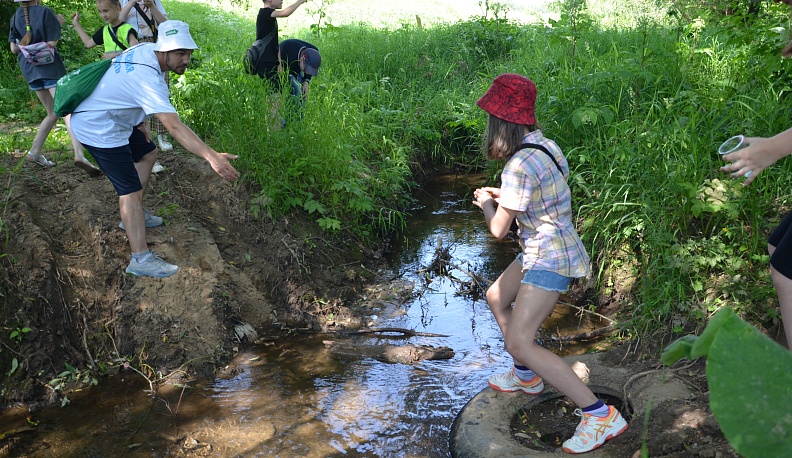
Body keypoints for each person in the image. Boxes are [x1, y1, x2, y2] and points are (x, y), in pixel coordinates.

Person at [471, 73, 627, 453]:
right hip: (549, 245)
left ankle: (599, 414)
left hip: (549, 257)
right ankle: (526, 376)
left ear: (501, 123)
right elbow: (544, 191)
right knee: (496, 296)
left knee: (519, 341)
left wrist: (487, 203)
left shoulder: (517, 166)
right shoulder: (545, 146)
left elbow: (498, 229)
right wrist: (504, 194)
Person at [69, 20, 239, 278]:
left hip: (113, 116)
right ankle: (140, 259)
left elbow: (125, 87)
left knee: (148, 152)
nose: (186, 60)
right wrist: (212, 157)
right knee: (129, 191)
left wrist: (140, 122)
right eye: (180, 53)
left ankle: (134, 213)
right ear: (164, 50)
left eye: (188, 53)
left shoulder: (144, 50)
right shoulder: (149, 77)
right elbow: (174, 126)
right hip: (98, 126)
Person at [8, 0, 101, 176]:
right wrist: (58, 22)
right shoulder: (45, 12)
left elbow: (14, 49)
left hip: (30, 70)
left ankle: (34, 152)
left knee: (52, 113)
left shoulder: (14, 17)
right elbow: (52, 43)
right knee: (67, 112)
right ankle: (79, 155)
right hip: (50, 69)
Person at [120, 0, 171, 171]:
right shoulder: (122, 2)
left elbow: (165, 23)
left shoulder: (154, 1)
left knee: (160, 90)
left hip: (154, 45)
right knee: (138, 96)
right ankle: (144, 142)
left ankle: (162, 134)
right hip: (131, 46)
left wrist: (152, 6)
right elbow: (119, 19)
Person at [255, 0, 308, 129]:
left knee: (275, 97)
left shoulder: (270, 18)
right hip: (266, 64)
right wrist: (300, 1)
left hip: (271, 63)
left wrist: (279, 63)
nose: (282, 0)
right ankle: (274, 130)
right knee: (274, 98)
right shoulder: (265, 13)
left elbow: (275, 44)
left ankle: (275, 126)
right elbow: (285, 13)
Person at [71, 0, 139, 60]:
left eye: (105, 11)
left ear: (118, 8)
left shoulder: (127, 29)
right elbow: (88, 44)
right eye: (100, 11)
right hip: (112, 69)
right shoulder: (105, 30)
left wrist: (115, 55)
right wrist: (76, 23)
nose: (103, 15)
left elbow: (137, 52)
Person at [279, 38, 321, 103]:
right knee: (296, 90)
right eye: (306, 69)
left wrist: (306, 81)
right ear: (301, 59)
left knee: (303, 92)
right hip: (284, 67)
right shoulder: (287, 51)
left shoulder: (314, 52)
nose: (306, 72)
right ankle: (294, 107)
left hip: (296, 65)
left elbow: (310, 67)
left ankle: (302, 107)